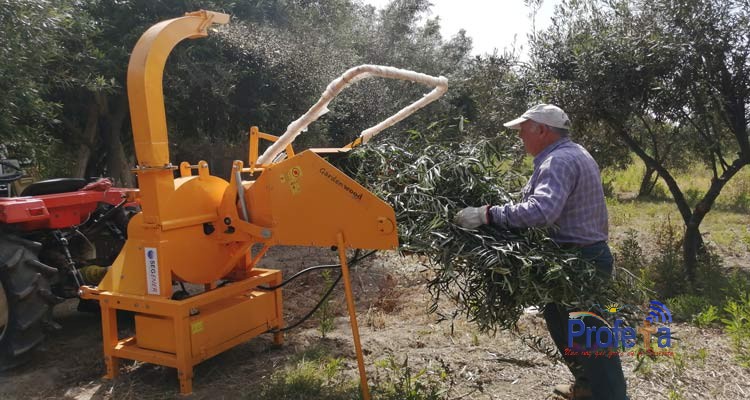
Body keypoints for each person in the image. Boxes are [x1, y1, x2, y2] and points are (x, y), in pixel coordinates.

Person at [453, 104, 628, 400]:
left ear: (542, 130)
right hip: (570, 259)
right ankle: (586, 387)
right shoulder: (572, 153)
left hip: (579, 262)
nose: (520, 137)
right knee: (562, 325)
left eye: (523, 131)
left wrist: (487, 214)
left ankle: (611, 396)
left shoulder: (558, 161)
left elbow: (542, 211)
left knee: (589, 337)